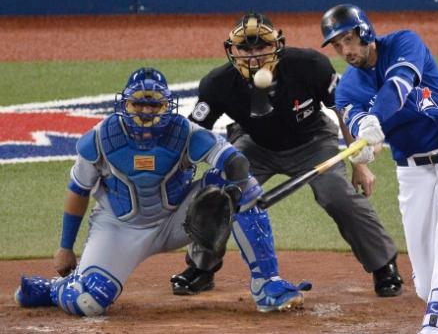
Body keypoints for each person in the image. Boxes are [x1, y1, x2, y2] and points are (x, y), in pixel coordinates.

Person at [14, 67, 310, 316]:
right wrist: (65, 247)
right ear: (125, 104)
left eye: (154, 105)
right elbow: (78, 191)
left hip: (178, 219)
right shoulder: (100, 138)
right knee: (87, 302)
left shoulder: (184, 132)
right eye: (139, 104)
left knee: (245, 186)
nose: (146, 112)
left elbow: (234, 160)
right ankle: (54, 289)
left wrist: (234, 187)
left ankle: (267, 284)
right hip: (120, 227)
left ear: (166, 106)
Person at [170, 12, 403, 298]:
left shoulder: (309, 65)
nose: (253, 56)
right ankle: (201, 267)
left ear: (276, 45)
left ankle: (383, 266)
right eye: (245, 48)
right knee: (220, 191)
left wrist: (360, 163)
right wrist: (178, 171)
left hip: (313, 142)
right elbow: (194, 133)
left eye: (260, 47)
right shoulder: (218, 83)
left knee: (336, 195)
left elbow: (343, 109)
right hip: (254, 145)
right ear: (233, 51)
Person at [320, 4, 438, 334]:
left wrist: (376, 117)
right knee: (425, 285)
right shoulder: (347, 89)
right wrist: (365, 138)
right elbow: (357, 121)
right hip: (414, 172)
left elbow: (399, 86)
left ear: (364, 31)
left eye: (348, 40)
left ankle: (434, 323)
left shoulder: (404, 43)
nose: (345, 51)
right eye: (337, 45)